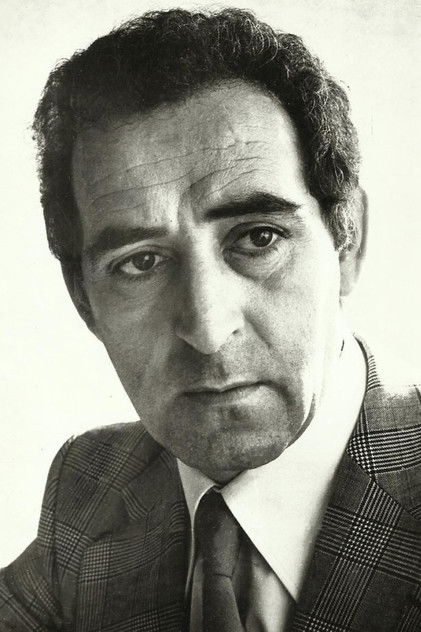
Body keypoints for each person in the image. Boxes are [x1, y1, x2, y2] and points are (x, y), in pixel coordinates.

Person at [1, 7, 420, 632]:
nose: (206, 328)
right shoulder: (91, 484)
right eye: (140, 262)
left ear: (346, 241)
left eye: (258, 237)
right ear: (83, 298)